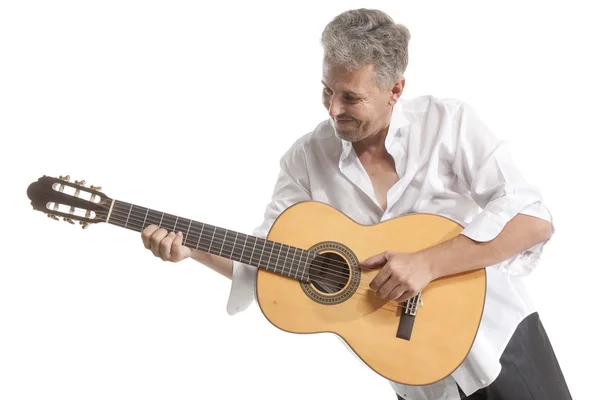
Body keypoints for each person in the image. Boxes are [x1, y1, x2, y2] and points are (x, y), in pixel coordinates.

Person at [140, 8, 572, 400]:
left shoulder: (449, 123)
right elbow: (268, 258)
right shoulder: (304, 160)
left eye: (350, 97)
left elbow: (533, 221)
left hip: (500, 339)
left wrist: (429, 263)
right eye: (326, 90)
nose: (333, 108)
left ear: (395, 89)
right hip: (414, 372)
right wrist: (192, 248)